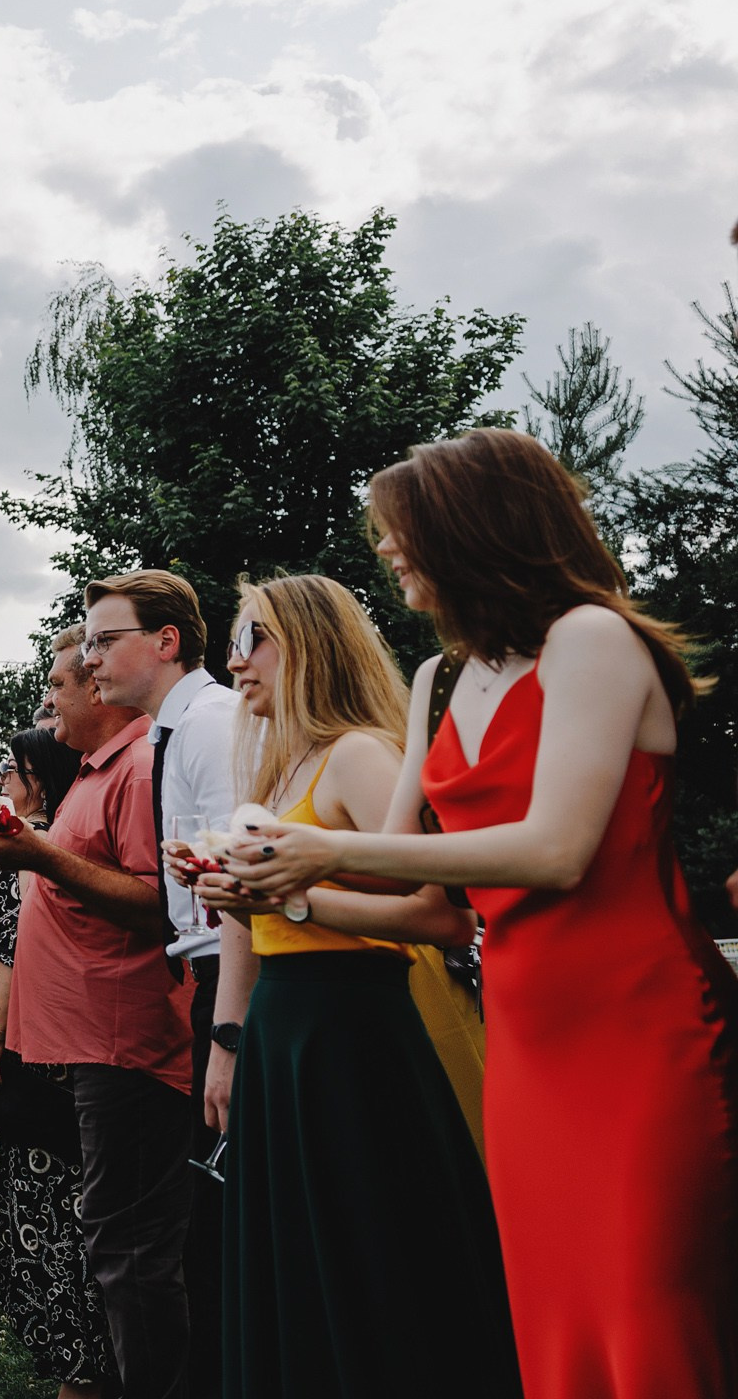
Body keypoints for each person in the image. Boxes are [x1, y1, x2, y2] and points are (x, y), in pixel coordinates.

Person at [232, 428, 738, 1399]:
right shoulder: (441, 679)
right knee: (551, 1307)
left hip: (639, 1029)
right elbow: (418, 904)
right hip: (525, 1038)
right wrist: (271, 879)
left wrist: (326, 849)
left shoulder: (593, 638)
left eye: (401, 530)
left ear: (471, 527)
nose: (387, 550)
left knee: (646, 1307)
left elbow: (556, 849)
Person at [185, 574, 516, 1397]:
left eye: (250, 638)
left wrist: (288, 892)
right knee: (293, 1250)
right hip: (280, 1030)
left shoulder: (359, 753)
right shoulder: (272, 772)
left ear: (306, 641)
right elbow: (248, 932)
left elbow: (442, 918)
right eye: (233, 642)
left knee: (369, 1245)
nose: (235, 662)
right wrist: (226, 1044)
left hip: (353, 1031)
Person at [0, 626, 193, 1399]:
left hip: (127, 1042)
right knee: (115, 1242)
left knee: (128, 1248)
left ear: (96, 689)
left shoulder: (136, 766)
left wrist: (34, 854)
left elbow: (156, 904)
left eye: (59, 685)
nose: (49, 700)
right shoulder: (94, 774)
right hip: (89, 1046)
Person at [82, 567, 250, 1394]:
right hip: (202, 977)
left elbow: (241, 886)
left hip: (234, 975)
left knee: (231, 1203)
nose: (90, 658)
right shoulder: (165, 734)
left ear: (166, 641)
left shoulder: (213, 724)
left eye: (105, 640)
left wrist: (226, 1028)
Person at [0, 729, 113, 1399]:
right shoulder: (3, 844)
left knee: (40, 1201)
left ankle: (83, 1362)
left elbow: (17, 939)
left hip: (13, 1030)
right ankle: (62, 1347)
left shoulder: (35, 847)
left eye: (12, 770)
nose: (1, 779)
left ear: (40, 779)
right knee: (2, 1196)